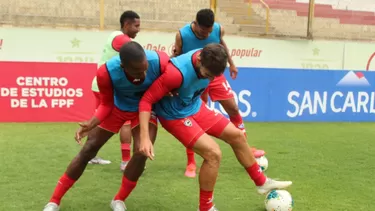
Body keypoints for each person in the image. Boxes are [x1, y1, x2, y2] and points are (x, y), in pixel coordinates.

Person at [138, 44, 292, 211]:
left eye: (213, 77)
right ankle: (205, 208)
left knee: (237, 136)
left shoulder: (209, 64)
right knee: (213, 154)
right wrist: (145, 137)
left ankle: (262, 182)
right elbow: (146, 100)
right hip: (175, 115)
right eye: (207, 75)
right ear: (198, 60)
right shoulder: (176, 73)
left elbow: (202, 83)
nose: (210, 80)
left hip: (194, 106)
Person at [43, 41, 169, 211]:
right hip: (117, 109)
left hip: (145, 110)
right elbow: (106, 105)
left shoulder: (160, 61)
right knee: (89, 148)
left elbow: (175, 79)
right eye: (139, 71)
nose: (145, 73)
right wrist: (91, 123)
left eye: (145, 68)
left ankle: (118, 200)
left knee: (141, 151)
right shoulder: (106, 72)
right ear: (123, 66)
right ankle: (54, 201)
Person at [173, 8, 265, 178]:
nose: (207, 34)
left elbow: (222, 45)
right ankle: (191, 162)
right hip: (194, 77)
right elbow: (176, 56)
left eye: (209, 31)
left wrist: (232, 64)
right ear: (196, 24)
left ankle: (246, 147)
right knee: (192, 117)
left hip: (214, 74)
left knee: (233, 109)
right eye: (203, 31)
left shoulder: (218, 29)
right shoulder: (182, 35)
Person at [89, 10, 141, 171]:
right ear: (126, 25)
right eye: (136, 26)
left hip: (100, 84)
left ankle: (90, 155)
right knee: (125, 122)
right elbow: (140, 55)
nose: (138, 29)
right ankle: (126, 162)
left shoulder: (115, 36)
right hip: (105, 87)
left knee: (99, 121)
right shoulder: (121, 39)